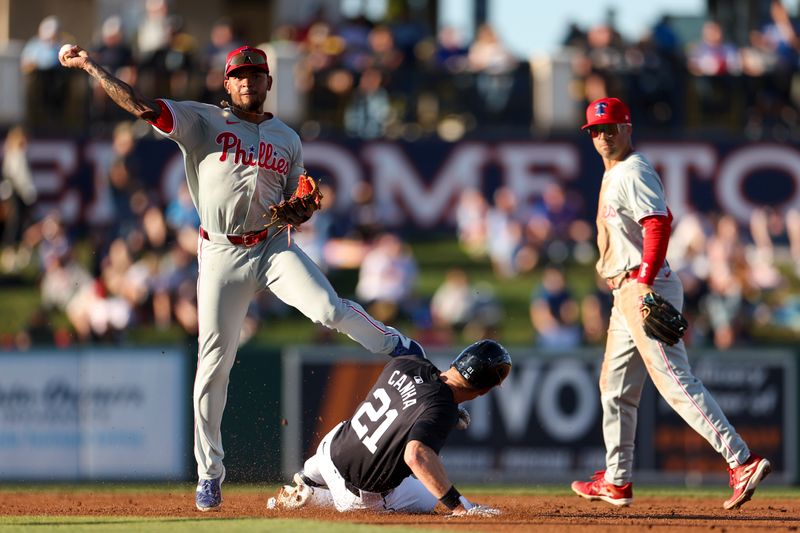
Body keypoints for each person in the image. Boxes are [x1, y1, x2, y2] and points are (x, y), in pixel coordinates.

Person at [60, 43, 425, 512]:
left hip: (272, 245)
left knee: (329, 308)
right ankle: (209, 474)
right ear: (227, 83)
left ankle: (398, 347)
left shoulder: (288, 138)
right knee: (213, 365)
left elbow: (299, 197)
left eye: (257, 74)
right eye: (240, 75)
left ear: (269, 83)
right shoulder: (203, 121)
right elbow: (141, 105)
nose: (249, 81)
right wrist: (92, 66)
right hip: (219, 253)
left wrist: (306, 205)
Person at [571, 97, 771, 510]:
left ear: (628, 128)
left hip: (643, 286)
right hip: (625, 291)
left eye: (611, 128)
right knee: (614, 387)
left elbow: (659, 223)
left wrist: (643, 283)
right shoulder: (616, 174)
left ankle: (741, 460)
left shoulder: (633, 169)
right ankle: (617, 479)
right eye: (596, 130)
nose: (604, 136)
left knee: (674, 381)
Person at [273, 339, 510, 516]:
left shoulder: (409, 362)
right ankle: (315, 498)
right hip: (358, 495)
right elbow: (416, 455)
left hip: (328, 450)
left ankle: (309, 474)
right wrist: (460, 507)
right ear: (484, 390)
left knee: (349, 431)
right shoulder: (442, 409)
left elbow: (413, 398)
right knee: (428, 496)